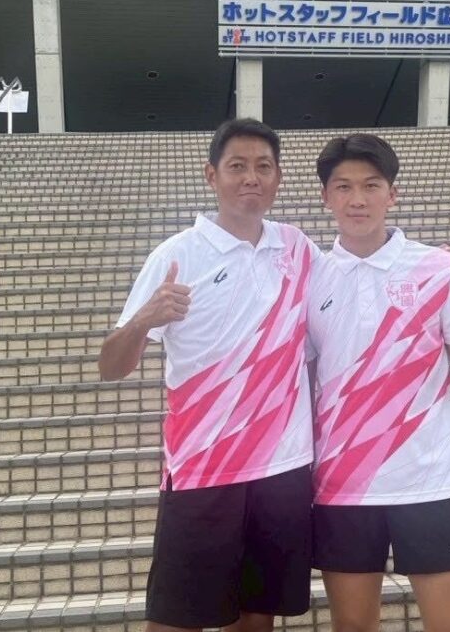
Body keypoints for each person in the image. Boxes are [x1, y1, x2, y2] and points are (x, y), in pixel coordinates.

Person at [99, 118, 316, 632]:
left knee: (257, 618)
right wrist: (144, 320)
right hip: (203, 469)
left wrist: (437, 265)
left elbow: (353, 279)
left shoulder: (298, 248)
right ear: (211, 175)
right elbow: (111, 367)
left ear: (278, 178)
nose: (251, 178)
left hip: (282, 470)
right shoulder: (177, 254)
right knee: (175, 620)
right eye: (237, 166)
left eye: (263, 167)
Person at [306, 133, 450, 632]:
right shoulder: (311, 278)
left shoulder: (436, 269)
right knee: (353, 627)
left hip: (428, 479)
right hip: (343, 485)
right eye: (343, 187)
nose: (358, 199)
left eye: (371, 185)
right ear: (326, 197)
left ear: (392, 194)